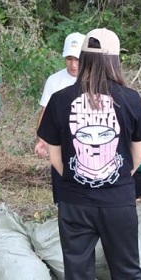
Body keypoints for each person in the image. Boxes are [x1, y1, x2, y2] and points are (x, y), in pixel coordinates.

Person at [38, 28, 141, 280]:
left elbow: (55, 158)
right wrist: (115, 182)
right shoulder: (130, 99)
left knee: (79, 278)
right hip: (118, 203)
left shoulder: (61, 99)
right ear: (114, 59)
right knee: (127, 273)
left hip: (74, 204)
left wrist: (78, 181)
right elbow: (138, 157)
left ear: (86, 57)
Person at [35, 32, 85, 203]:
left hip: (85, 144)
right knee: (61, 185)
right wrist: (41, 140)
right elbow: (45, 112)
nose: (73, 64)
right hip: (60, 143)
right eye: (69, 59)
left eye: (77, 59)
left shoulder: (93, 80)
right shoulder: (54, 80)